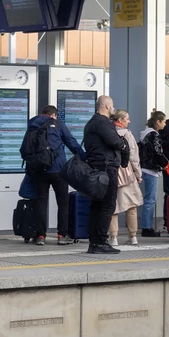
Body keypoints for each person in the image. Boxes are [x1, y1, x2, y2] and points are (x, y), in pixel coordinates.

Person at [22, 105, 84, 245]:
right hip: (58, 170)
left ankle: (40, 236)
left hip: (39, 170)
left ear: (42, 114)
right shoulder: (58, 124)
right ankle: (62, 235)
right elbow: (71, 143)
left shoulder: (33, 125)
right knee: (62, 203)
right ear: (54, 115)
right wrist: (85, 157)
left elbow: (24, 149)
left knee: (41, 203)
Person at [82, 95, 124, 254]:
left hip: (97, 168)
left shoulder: (92, 122)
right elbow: (115, 141)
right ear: (106, 106)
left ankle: (94, 242)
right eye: (112, 106)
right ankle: (100, 242)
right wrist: (123, 143)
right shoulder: (102, 122)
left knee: (97, 205)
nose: (113, 108)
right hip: (106, 168)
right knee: (107, 205)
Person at [109, 110, 143, 246]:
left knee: (113, 207)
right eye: (127, 119)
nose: (129, 121)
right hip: (127, 173)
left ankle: (113, 237)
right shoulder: (127, 134)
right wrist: (138, 174)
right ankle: (133, 236)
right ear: (121, 120)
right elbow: (133, 157)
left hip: (112, 172)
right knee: (131, 205)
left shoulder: (108, 133)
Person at [138, 111, 169, 238]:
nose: (165, 124)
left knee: (148, 199)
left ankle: (147, 225)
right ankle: (147, 227)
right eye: (164, 121)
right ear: (158, 122)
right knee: (150, 199)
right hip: (150, 170)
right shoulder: (154, 135)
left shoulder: (144, 134)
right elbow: (157, 152)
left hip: (144, 168)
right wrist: (165, 163)